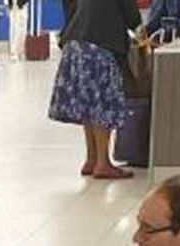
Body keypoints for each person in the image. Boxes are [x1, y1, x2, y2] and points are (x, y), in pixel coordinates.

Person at [49, 0, 142, 180]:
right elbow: (131, 15)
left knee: (89, 104)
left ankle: (91, 159)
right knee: (102, 105)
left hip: (75, 43)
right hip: (100, 44)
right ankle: (103, 163)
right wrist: (143, 34)